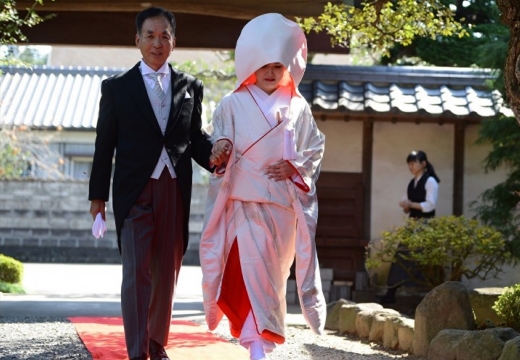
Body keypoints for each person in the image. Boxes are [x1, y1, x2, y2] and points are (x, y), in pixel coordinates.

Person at [88, 7, 229, 360]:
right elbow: (104, 145)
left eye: (164, 35)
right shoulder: (117, 88)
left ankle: (155, 342)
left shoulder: (190, 87)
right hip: (133, 190)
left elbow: (194, 139)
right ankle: (137, 351)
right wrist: (97, 198)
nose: (157, 42)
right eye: (150, 35)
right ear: (137, 41)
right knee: (137, 272)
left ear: (174, 41)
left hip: (173, 188)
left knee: (167, 270)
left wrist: (215, 153)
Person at [199, 13, 326, 360]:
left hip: (281, 208)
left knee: (271, 277)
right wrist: (221, 148)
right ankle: (257, 347)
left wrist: (294, 166)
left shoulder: (299, 108)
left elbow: (313, 148)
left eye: (278, 66)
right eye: (264, 65)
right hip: (242, 203)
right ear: (252, 66)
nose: (271, 72)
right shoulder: (231, 103)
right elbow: (222, 137)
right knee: (247, 271)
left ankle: (262, 342)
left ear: (288, 67)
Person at [378, 150, 440, 304]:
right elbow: (410, 204)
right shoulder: (412, 183)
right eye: (409, 164)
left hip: (426, 225)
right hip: (413, 224)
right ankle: (391, 292)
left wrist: (411, 204)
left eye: (414, 163)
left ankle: (432, 296)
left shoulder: (430, 181)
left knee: (426, 260)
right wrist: (407, 207)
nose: (411, 166)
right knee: (401, 255)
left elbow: (430, 205)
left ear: (423, 164)